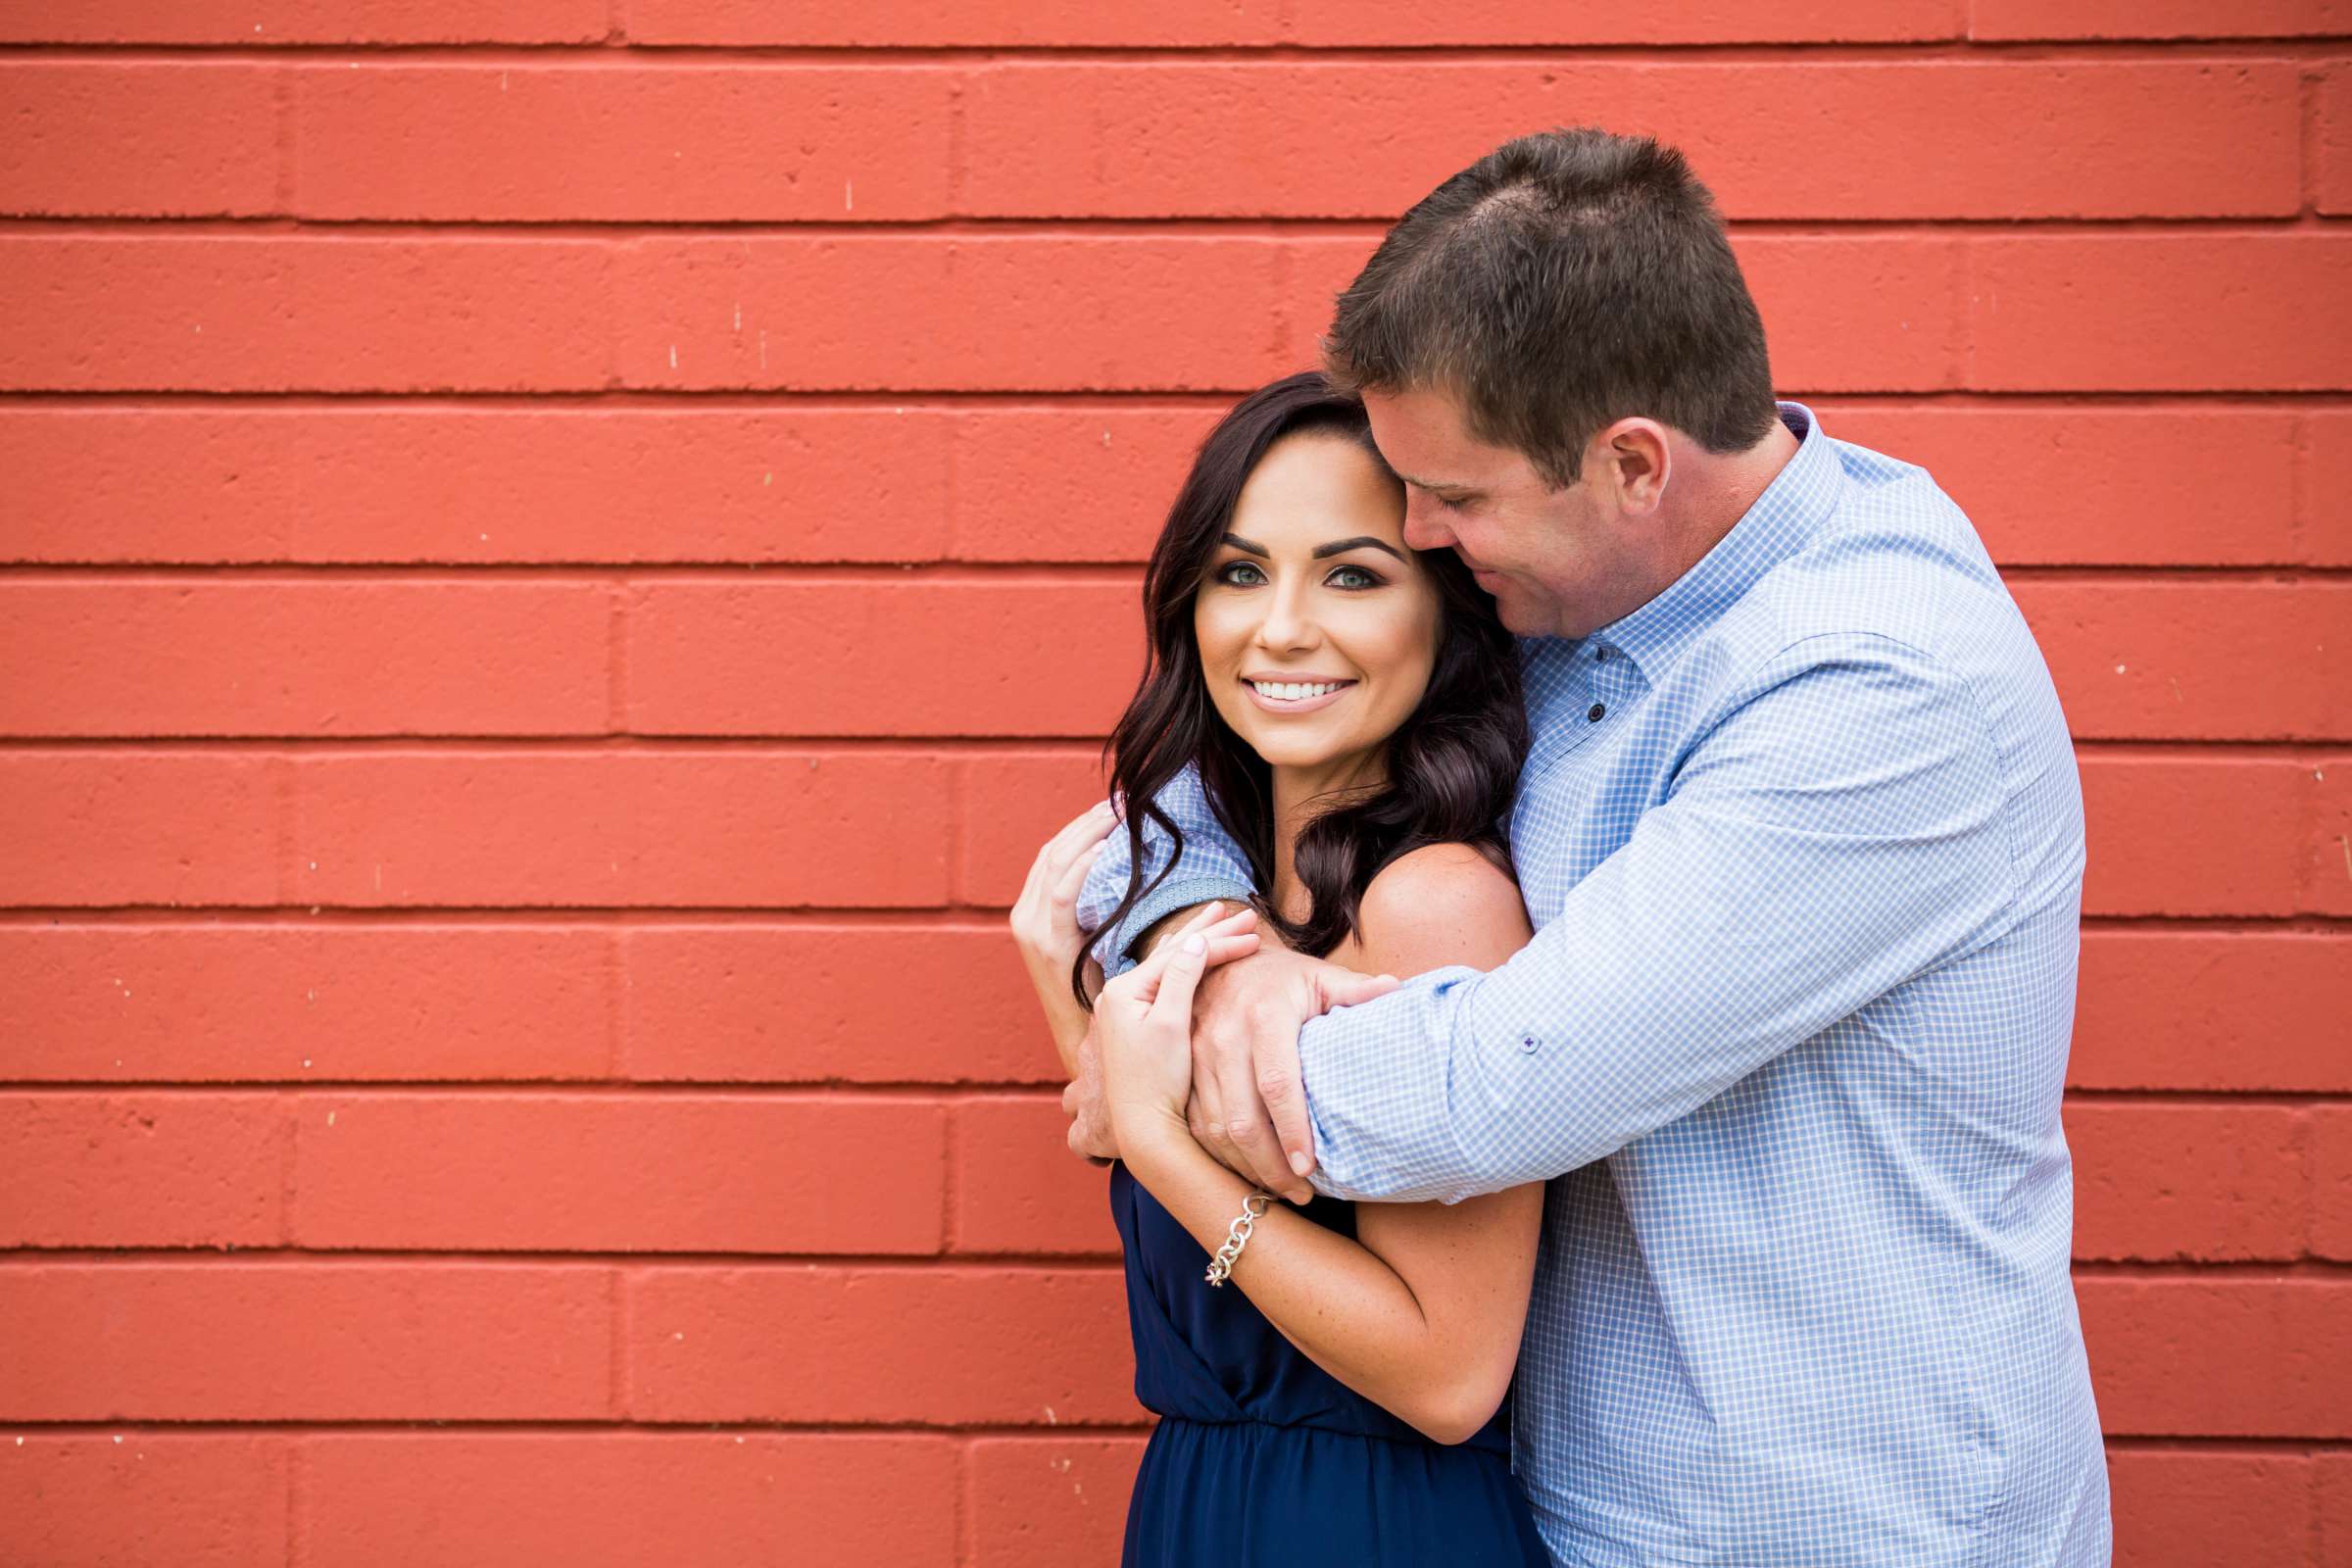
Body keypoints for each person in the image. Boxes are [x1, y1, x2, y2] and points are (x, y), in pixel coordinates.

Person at [1065, 128, 2111, 1565]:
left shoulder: (1880, 690)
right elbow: (1210, 782)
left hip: (1840, 1529)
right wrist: (1203, 953)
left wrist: (1160, 1070)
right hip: (1580, 1513)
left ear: (1632, 463)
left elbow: (1497, 1087)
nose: (1424, 535)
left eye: (1459, 498)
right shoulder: (1570, 587)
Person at [1009, 372, 1552, 1565]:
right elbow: (1161, 1175)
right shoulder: (1228, 891)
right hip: (1204, 1505)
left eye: (1352, 574)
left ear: (1446, 614)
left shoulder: (1434, 903)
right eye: (1240, 572)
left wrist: (1147, 1133)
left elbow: (1452, 1373)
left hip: (1374, 1528)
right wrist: (1087, 1039)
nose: (1281, 627)